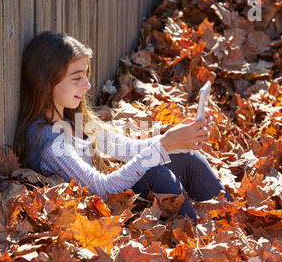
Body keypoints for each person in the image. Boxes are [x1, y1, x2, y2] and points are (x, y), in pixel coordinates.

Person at [13, 31, 233, 224]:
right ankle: (194, 240)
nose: (87, 85)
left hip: (110, 198)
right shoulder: (50, 142)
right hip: (96, 217)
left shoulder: (73, 119)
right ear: (47, 81)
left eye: (86, 76)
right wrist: (166, 144)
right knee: (157, 176)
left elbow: (127, 148)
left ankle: (230, 221)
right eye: (77, 78)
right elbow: (103, 189)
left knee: (187, 157)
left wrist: (174, 140)